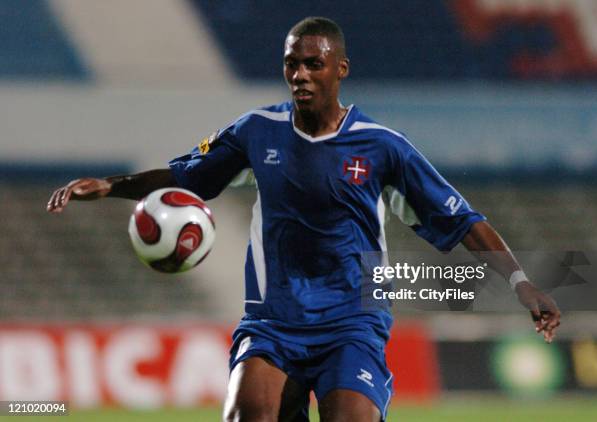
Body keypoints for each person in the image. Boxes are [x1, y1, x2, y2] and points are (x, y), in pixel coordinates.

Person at [47, 17, 560, 422]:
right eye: (292, 64)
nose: (300, 75)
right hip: (273, 322)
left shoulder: (383, 148)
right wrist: (113, 186)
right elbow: (186, 177)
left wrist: (520, 283)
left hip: (352, 322)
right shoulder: (256, 132)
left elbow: (463, 219)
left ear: (341, 69)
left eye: (314, 64)